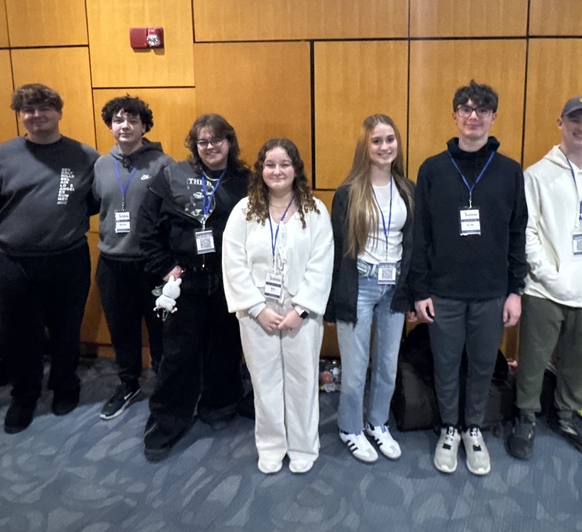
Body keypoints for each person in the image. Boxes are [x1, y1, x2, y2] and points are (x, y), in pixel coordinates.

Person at [408, 80, 528, 476]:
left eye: (481, 110)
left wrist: (515, 291)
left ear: (494, 117)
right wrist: (420, 289)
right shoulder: (432, 169)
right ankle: (449, 429)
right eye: (465, 108)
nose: (473, 116)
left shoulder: (510, 172)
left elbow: (516, 234)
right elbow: (420, 236)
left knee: (480, 365)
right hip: (443, 291)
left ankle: (472, 428)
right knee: (444, 364)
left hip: (492, 293)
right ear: (454, 116)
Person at [0, 83, 100, 434]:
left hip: (67, 258)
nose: (37, 115)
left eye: (44, 108)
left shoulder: (85, 156)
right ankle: (24, 396)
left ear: (59, 112)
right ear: (20, 115)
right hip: (12, 262)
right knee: (17, 335)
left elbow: (93, 203)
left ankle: (64, 386)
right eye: (28, 110)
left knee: (65, 329)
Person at [506, 96, 582, 461]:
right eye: (576, 119)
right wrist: (551, 277)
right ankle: (525, 417)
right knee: (534, 359)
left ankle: (567, 416)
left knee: (577, 359)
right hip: (545, 290)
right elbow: (527, 233)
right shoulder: (537, 175)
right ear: (560, 122)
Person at [139, 114, 248, 461]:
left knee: (225, 347)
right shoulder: (172, 176)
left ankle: (220, 404)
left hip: (228, 280)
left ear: (230, 142)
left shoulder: (245, 181)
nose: (210, 147)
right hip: (184, 279)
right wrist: (166, 268)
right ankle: (167, 422)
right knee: (178, 354)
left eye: (217, 140)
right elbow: (146, 230)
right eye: (203, 141)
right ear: (194, 146)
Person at [222, 138, 333, 475]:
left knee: (302, 380)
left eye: (285, 164)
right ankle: (271, 446)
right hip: (258, 314)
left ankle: (302, 445)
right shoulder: (244, 210)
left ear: (296, 169)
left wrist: (301, 310)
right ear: (261, 170)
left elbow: (322, 262)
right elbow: (234, 263)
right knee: (265, 382)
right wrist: (257, 308)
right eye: (270, 164)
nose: (277, 171)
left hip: (301, 314)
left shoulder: (314, 209)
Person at [325, 114, 414, 463]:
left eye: (390, 139)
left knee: (388, 365)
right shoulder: (348, 193)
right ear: (365, 147)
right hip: (359, 285)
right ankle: (350, 427)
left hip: (394, 287)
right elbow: (336, 250)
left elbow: (413, 243)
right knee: (356, 367)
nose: (384, 147)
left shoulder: (407, 189)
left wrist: (409, 290)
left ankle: (378, 423)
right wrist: (334, 304)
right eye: (376, 141)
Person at [92, 95, 173, 420]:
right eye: (118, 120)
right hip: (112, 264)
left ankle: (165, 388)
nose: (125, 126)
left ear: (144, 127)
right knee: (121, 329)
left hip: (151, 265)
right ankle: (128, 383)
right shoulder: (99, 164)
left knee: (160, 331)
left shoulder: (162, 163)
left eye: (132, 120)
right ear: (111, 125)